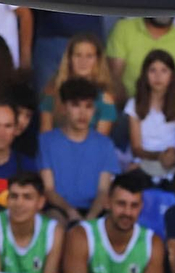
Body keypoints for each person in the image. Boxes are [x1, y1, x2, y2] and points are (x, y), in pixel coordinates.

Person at [38, 77, 121, 223]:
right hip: (59, 209)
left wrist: (90, 219)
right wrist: (71, 212)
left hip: (95, 210)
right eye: (76, 105)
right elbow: (49, 189)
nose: (82, 113)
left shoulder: (105, 144)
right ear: (63, 108)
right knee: (54, 223)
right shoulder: (47, 142)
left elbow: (103, 191)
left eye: (88, 106)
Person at [63, 172, 163, 273]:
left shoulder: (152, 243)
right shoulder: (81, 236)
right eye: (121, 204)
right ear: (107, 202)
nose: (127, 212)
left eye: (134, 205)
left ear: (141, 206)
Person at [125, 50, 175, 182]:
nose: (158, 76)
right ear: (145, 75)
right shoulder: (134, 104)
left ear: (172, 76)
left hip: (173, 162)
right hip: (144, 161)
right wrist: (159, 156)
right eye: (152, 70)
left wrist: (174, 156)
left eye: (164, 70)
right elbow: (136, 148)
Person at [0, 171, 62, 273]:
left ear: (41, 202)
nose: (19, 203)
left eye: (27, 197)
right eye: (14, 196)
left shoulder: (53, 231)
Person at [40, 31, 119, 138]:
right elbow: (45, 138)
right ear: (69, 59)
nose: (83, 61)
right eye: (78, 55)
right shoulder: (52, 91)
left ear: (98, 60)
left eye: (89, 56)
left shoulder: (105, 98)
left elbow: (99, 143)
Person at [106, 16, 175, 99]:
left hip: (169, 111)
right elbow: (114, 78)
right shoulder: (123, 29)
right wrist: (130, 109)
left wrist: (169, 111)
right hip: (124, 108)